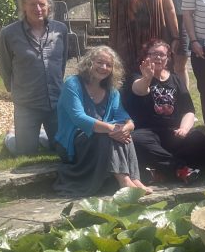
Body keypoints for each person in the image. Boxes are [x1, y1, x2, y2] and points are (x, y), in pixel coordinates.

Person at [52, 46, 150, 197]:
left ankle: (135, 179)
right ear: (90, 62)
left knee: (124, 133)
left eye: (108, 65)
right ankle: (124, 181)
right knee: (109, 134)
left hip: (100, 140)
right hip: (73, 143)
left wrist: (129, 126)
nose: (104, 67)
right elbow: (79, 117)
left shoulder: (112, 91)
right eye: (100, 62)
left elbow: (123, 116)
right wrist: (113, 129)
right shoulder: (73, 83)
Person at [0, 0, 68, 156]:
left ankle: (42, 135)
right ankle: (11, 136)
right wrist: (14, 90)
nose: (38, 8)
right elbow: (5, 68)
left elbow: (62, 63)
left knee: (61, 149)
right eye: (32, 4)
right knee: (25, 153)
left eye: (42, 4)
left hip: (56, 102)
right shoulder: (8, 34)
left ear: (48, 5)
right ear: (23, 6)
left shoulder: (61, 30)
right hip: (27, 104)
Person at [126, 38, 205, 185]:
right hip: (148, 133)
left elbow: (189, 111)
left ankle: (160, 170)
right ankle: (181, 170)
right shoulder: (137, 76)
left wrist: (184, 128)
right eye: (153, 54)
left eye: (162, 54)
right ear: (146, 56)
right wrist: (147, 78)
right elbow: (139, 90)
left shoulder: (176, 79)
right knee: (136, 140)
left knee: (200, 139)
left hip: (173, 133)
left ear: (167, 58)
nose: (158, 57)